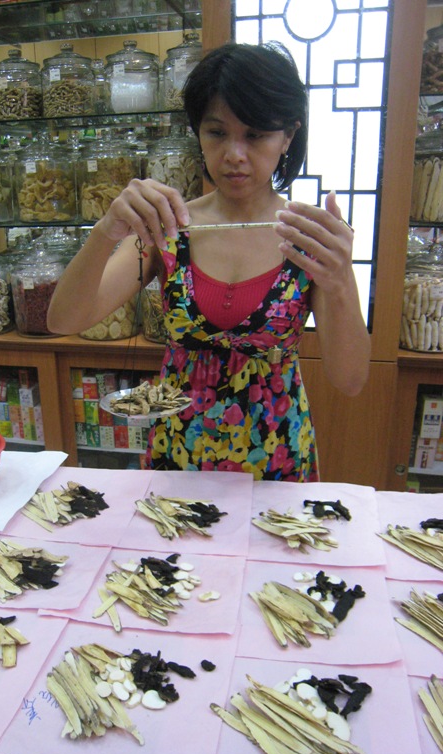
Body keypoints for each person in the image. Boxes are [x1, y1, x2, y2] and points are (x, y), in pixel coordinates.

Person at [47, 41, 371, 480]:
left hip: (275, 458)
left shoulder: (308, 239)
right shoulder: (169, 227)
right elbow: (64, 320)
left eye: (255, 135)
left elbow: (350, 380)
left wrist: (341, 280)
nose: (234, 154)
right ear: (198, 133)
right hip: (178, 452)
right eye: (217, 133)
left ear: (287, 136)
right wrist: (106, 230)